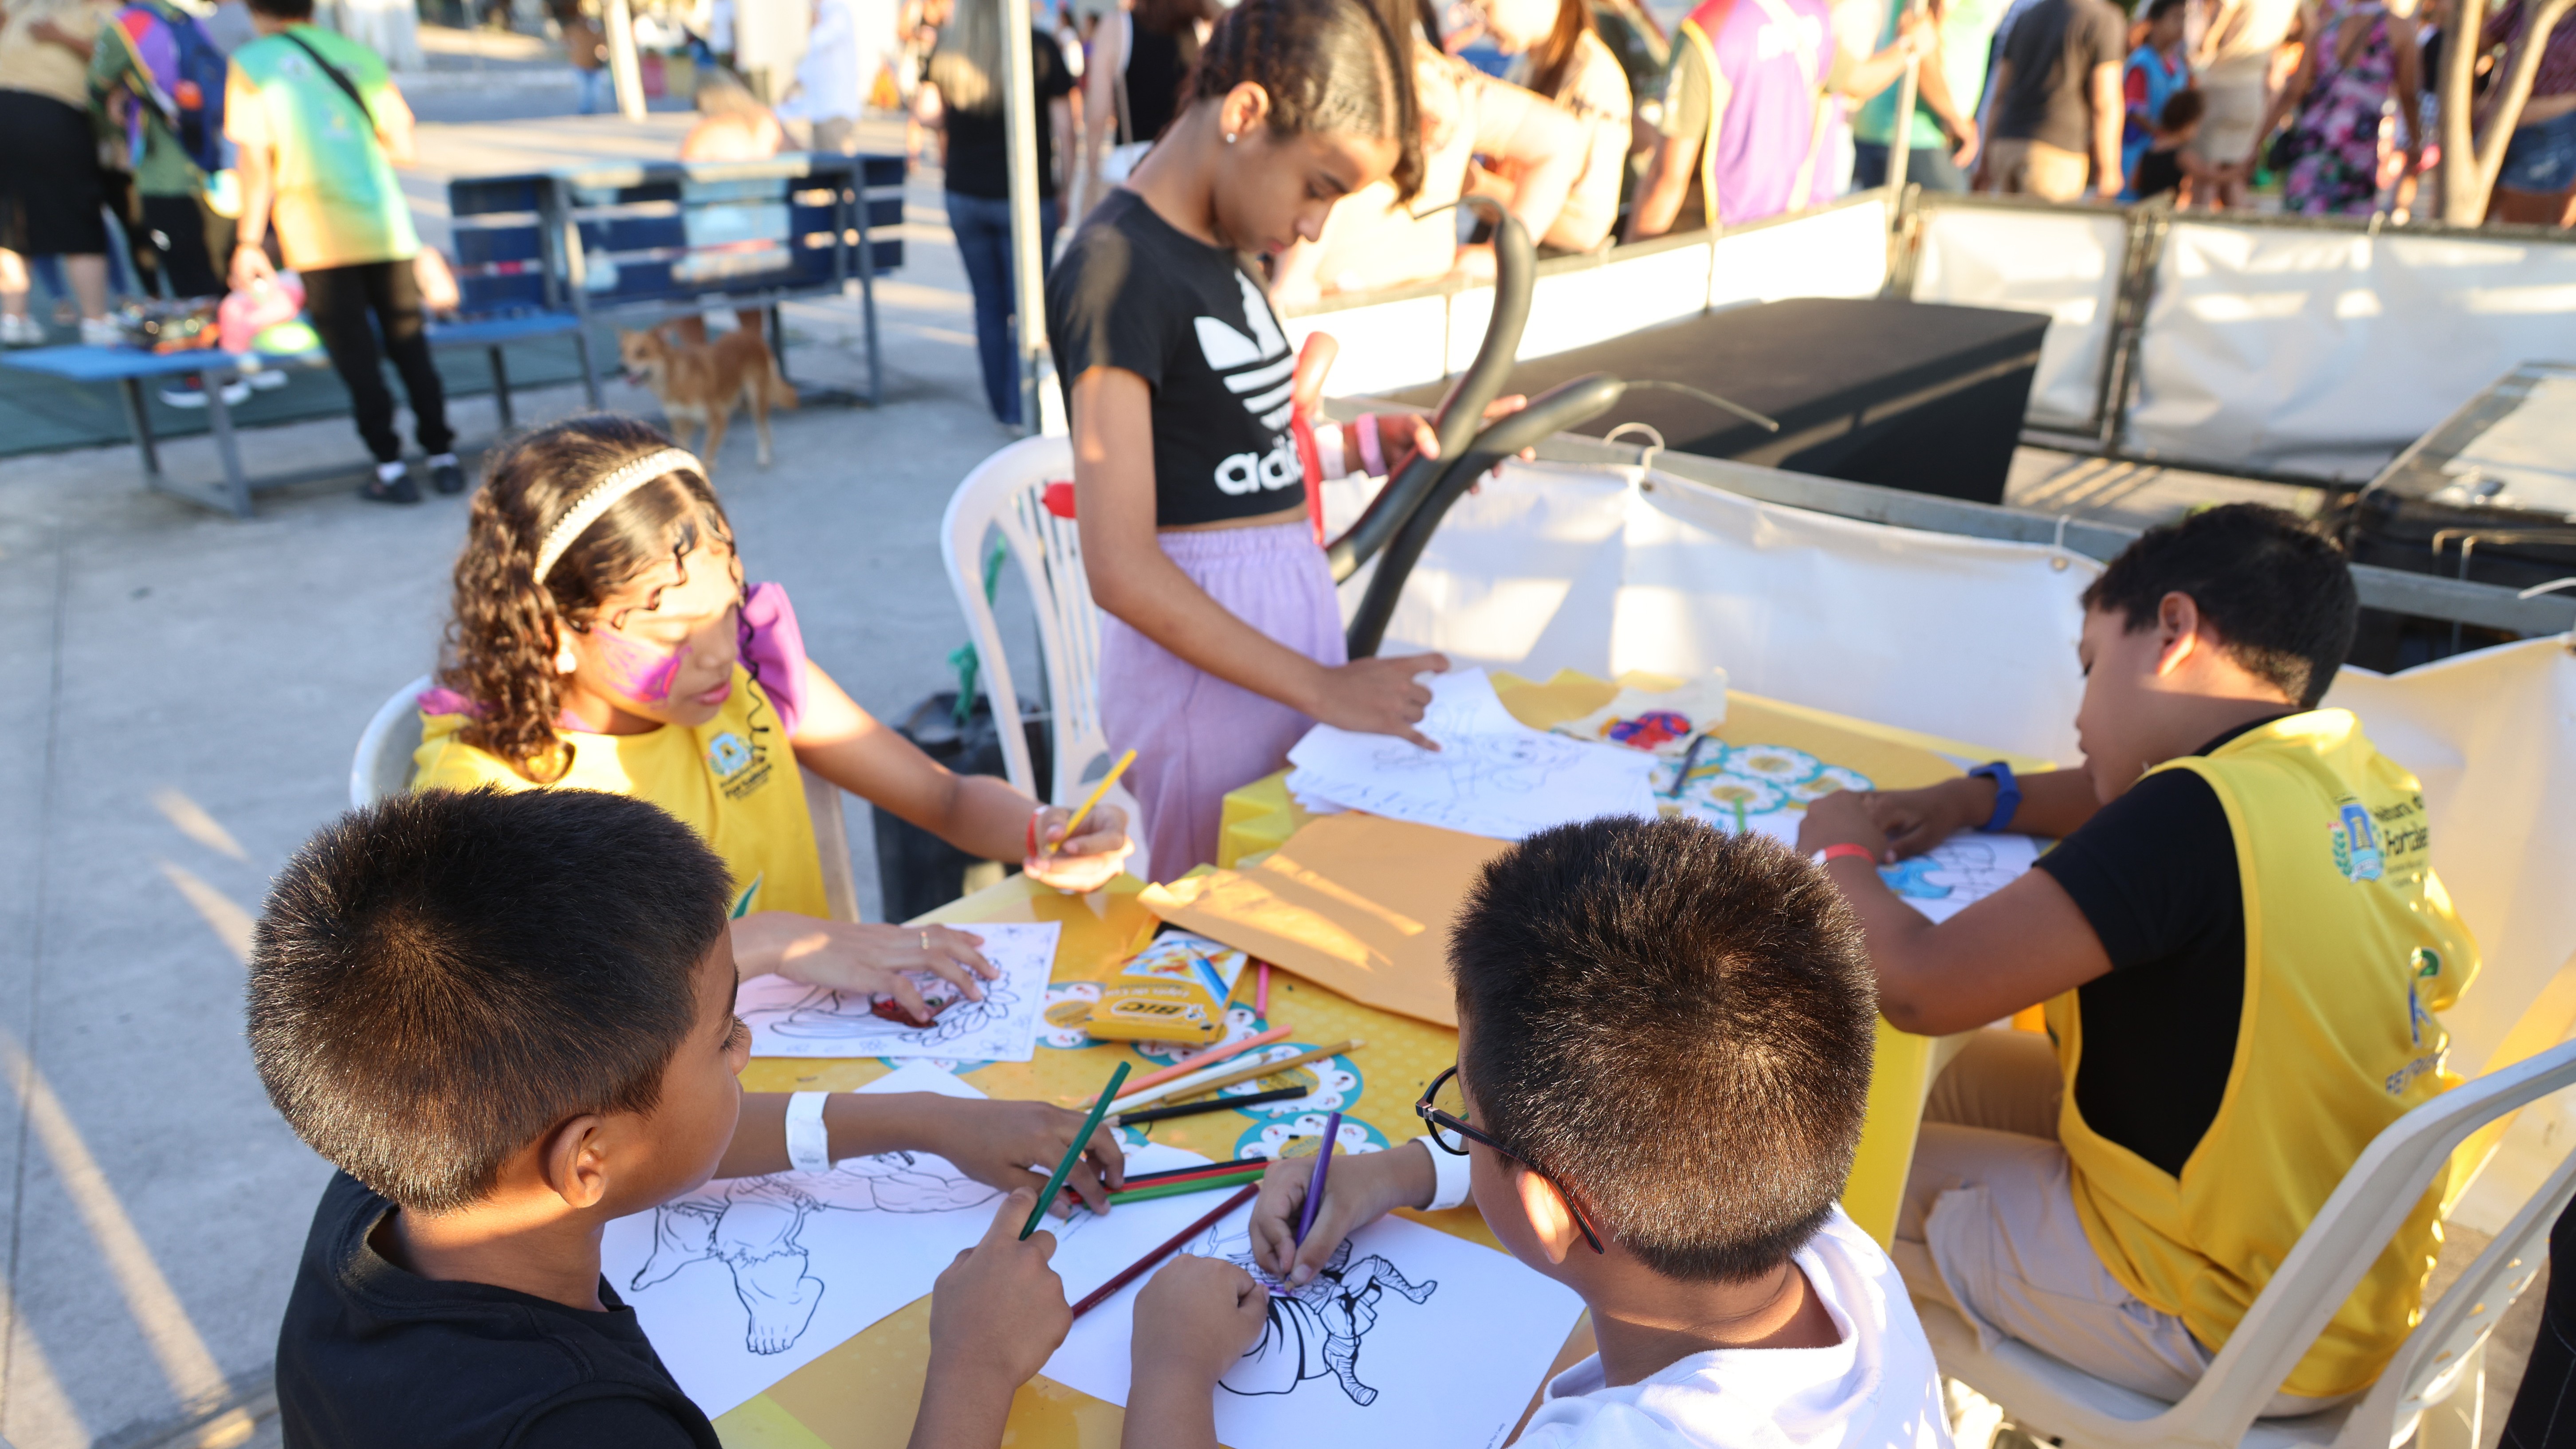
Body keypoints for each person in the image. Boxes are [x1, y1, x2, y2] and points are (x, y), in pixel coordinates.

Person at [1793, 504, 2480, 1409]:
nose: (2079, 711)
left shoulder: (2196, 815)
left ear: (2173, 630)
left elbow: (1920, 988)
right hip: (2335, 1275)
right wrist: (1972, 799)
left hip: (2216, 1317)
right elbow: (2114, 799)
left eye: (2089, 663)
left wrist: (1833, 848)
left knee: (1794, 1179)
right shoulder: (2351, 778)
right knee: (1888, 1089)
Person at [251, 785, 1120, 1446]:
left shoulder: (400, 1178)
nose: (746, 1048)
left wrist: (926, 1119)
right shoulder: (587, 1426)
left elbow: (661, 1131)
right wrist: (977, 1365)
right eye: (722, 1038)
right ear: (586, 1160)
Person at [1118, 816, 1951, 1449]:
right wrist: (1399, 1174)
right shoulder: (1832, 1251)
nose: (1456, 1131)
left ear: (1549, 1206)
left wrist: (1172, 1368)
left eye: (1459, 1113)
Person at [412, 416, 1134, 1014]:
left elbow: (940, 795)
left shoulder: (754, 667)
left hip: (824, 1043)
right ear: (550, 634)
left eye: (726, 609)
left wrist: (1042, 829)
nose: (719, 653)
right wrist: (769, 942)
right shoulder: (487, 793)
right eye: (672, 634)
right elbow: (548, 1022)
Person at [1049, 0, 1536, 882]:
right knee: (1220, 931)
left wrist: (1369, 446)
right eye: (1320, 186)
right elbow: (1119, 565)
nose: (1314, 227)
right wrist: (1321, 687)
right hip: (1210, 695)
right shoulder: (1116, 267)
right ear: (1244, 115)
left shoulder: (1224, 245)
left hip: (1275, 673)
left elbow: (1230, 447)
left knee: (1282, 912)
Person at [225, 0, 461, 503]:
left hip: (317, 232)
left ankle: (392, 469)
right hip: (385, 223)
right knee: (409, 345)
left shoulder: (254, 62)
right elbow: (403, 147)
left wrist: (248, 241)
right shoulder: (359, 55)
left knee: (358, 358)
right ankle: (444, 458)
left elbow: (256, 163)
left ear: (255, 10)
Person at [1269, 35, 1586, 300]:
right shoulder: (1450, 82)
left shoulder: (1336, 74)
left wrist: (1497, 257)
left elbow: (1559, 139)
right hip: (1436, 312)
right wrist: (1500, 255)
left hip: (1340, 317)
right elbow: (1560, 138)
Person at [1627, 0, 1928, 238]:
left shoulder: (1707, 30)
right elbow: (1861, 80)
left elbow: (1666, 179)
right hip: (1791, 225)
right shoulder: (1811, 14)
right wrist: (1909, 46)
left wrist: (1631, 257)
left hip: (1720, 235)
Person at [919, 0, 1076, 426]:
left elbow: (926, 112)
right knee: (1030, 309)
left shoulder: (952, 47)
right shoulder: (1038, 46)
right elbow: (1065, 128)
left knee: (988, 303)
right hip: (1023, 195)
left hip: (966, 192)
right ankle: (1023, 403)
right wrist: (1066, 182)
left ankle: (1003, 407)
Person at [0, 0, 121, 348]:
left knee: (72, 213)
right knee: (12, 219)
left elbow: (114, 59)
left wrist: (62, 38)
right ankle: (15, 317)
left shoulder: (103, 10)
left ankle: (94, 319)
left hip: (56, 111)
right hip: (19, 110)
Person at [1470, 0, 1635, 251]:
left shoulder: (1596, 79)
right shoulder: (1524, 67)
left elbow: (1587, 231)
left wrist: (1478, 188)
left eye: (1483, 7)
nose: (1479, 24)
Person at [2249, 0, 2418, 216]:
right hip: (2357, 146)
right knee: (2346, 229)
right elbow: (2408, 93)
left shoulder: (2327, 27)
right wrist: (2415, 140)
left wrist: (2257, 141)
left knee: (2300, 223)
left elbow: (2293, 93)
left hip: (2313, 138)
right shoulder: (2399, 28)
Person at [1973, 0, 2124, 200]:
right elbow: (2105, 101)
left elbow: (1999, 95)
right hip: (2056, 153)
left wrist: (1984, 160)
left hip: (2005, 146)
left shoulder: (2026, 17)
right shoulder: (2103, 18)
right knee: (2045, 231)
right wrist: (2109, 168)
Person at [1853, 0, 2007, 193]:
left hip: (1908, 130)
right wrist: (1953, 118)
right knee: (1952, 220)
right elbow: (1919, 36)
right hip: (1915, 132)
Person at [1075, 0, 1214, 209]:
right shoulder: (1201, 30)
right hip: (1185, 172)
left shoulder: (1116, 27)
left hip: (1129, 170)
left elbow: (1097, 116)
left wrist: (1092, 176)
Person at [2185, 0, 2298, 208]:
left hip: (2221, 86)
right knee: (2233, 177)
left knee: (2205, 177)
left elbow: (2209, 42)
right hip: (2253, 93)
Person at [2478, 0, 2576, 227]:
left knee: (2525, 236)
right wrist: (2474, 99)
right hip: (2496, 127)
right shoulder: (2524, 5)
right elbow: (2479, 42)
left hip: (2554, 134)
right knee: (2459, 227)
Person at [2117, 0, 2188, 198]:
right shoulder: (2142, 62)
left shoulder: (2178, 66)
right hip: (2137, 158)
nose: (2181, 25)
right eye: (2175, 18)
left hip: (2167, 161)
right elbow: (2134, 110)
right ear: (2154, 23)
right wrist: (2163, 134)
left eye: (2184, 18)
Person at [781, 0, 864, 151]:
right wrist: (793, 86)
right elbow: (811, 62)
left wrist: (813, 23)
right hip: (821, 109)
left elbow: (819, 40)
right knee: (824, 160)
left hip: (836, 107)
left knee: (837, 162)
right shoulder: (822, 14)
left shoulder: (836, 12)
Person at [2130, 85, 2209, 201]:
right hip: (2168, 212)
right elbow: (2206, 176)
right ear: (2187, 124)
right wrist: (2235, 173)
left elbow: (2134, 184)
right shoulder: (2182, 156)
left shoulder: (2150, 151)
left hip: (2146, 207)